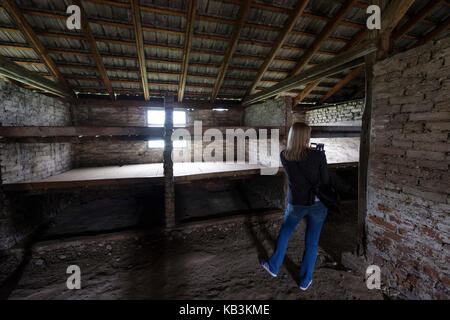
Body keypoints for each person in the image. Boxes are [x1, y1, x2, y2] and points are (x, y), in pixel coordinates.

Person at [261, 122, 329, 291]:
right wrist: (320, 156)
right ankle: (305, 281)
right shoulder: (318, 156)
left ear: (292, 136)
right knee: (312, 243)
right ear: (306, 137)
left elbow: (298, 166)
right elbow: (325, 180)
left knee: (285, 233)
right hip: (317, 204)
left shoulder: (285, 155)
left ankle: (273, 266)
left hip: (296, 203)